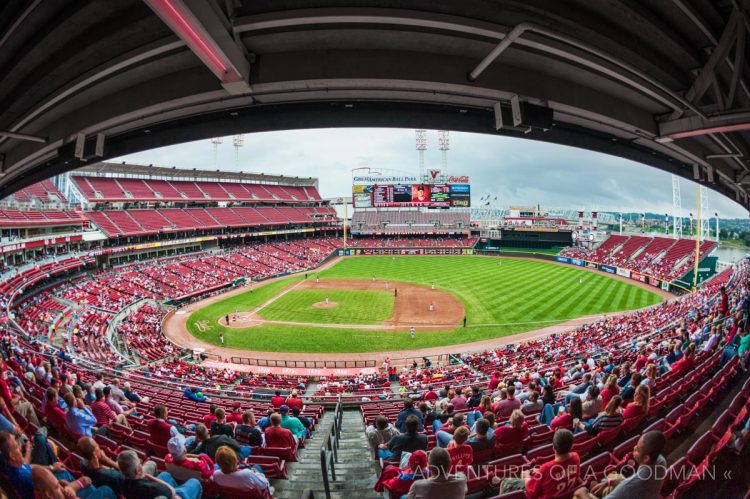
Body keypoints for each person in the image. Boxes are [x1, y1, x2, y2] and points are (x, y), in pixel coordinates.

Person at [573, 431, 667, 499]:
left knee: (577, 496)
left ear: (646, 458)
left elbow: (630, 485)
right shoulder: (661, 461)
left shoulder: (627, 486)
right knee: (613, 476)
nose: (634, 448)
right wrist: (611, 482)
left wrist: (582, 493)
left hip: (632, 491)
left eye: (638, 449)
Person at [496, 429, 580, 498]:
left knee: (506, 481)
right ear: (571, 446)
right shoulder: (576, 457)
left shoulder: (546, 468)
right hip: (562, 493)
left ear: (553, 447)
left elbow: (530, 492)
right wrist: (540, 473)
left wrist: (527, 475)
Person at [117, 449, 202, 499]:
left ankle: (179, 486)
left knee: (165, 475)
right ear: (137, 471)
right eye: (139, 463)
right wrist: (150, 477)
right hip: (170, 494)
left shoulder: (119, 481)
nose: (141, 462)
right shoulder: (153, 488)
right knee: (194, 482)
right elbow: (172, 492)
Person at [32, 465, 115, 499]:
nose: (61, 488)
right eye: (57, 487)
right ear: (48, 494)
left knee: (89, 485)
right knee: (106, 489)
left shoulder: (39, 491)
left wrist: (72, 486)